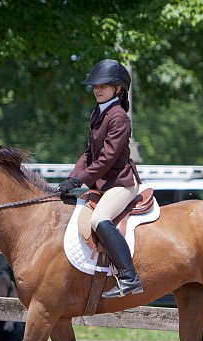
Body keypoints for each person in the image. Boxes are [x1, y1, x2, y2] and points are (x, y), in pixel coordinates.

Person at [56, 59, 143, 298]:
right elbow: (89, 154)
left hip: (121, 182)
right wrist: (71, 179)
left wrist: (79, 181)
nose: (97, 89)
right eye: (95, 85)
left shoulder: (119, 118)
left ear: (118, 89)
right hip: (105, 182)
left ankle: (129, 278)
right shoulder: (98, 113)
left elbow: (106, 159)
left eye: (103, 85)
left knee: (99, 219)